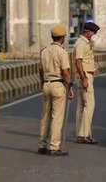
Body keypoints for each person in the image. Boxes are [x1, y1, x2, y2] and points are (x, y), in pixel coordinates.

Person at [38, 25, 73, 156]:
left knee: (45, 116)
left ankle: (42, 144)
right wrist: (69, 86)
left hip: (46, 84)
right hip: (58, 85)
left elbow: (40, 71)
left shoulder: (44, 51)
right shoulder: (62, 52)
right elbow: (65, 72)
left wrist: (42, 83)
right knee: (57, 117)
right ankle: (54, 146)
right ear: (62, 38)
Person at [74, 22, 100, 145]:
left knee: (81, 107)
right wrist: (84, 78)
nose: (93, 35)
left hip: (86, 75)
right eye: (93, 33)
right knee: (89, 105)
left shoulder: (86, 43)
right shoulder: (81, 43)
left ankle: (81, 134)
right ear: (88, 32)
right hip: (85, 76)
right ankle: (83, 135)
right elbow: (78, 62)